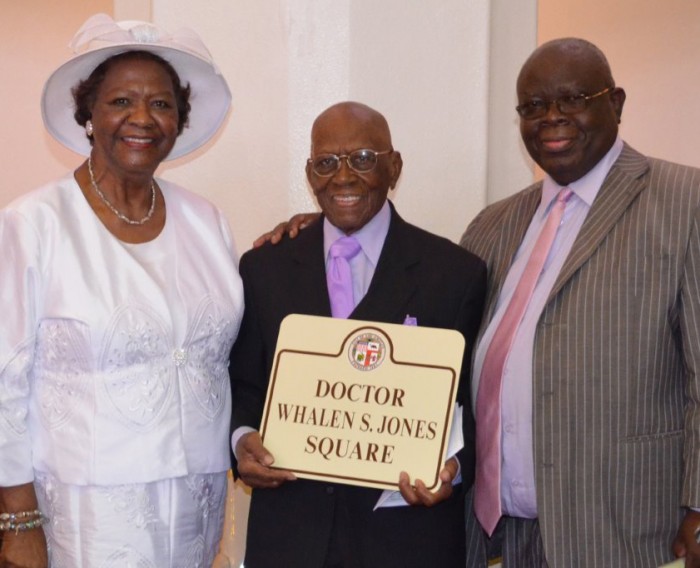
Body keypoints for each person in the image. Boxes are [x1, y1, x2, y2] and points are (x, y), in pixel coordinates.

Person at [0, 14, 243, 568]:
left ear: (179, 121)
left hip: (199, 505)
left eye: (161, 104)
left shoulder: (209, 222)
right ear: (88, 115)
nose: (142, 118)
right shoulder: (30, 224)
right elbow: (3, 387)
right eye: (120, 102)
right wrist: (17, 523)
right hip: (88, 517)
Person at [459, 38, 700, 567]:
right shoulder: (491, 225)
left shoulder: (685, 202)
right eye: (534, 106)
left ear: (614, 103)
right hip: (505, 535)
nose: (552, 118)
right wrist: (325, 238)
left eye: (572, 99)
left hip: (625, 533)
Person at [229, 101, 486, 568]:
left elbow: (476, 405)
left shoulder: (455, 273)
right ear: (310, 174)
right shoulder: (264, 269)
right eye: (326, 163)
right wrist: (243, 439)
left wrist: (454, 467)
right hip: (290, 539)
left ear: (395, 166)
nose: (343, 177)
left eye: (363, 159)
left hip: (408, 542)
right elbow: (245, 385)